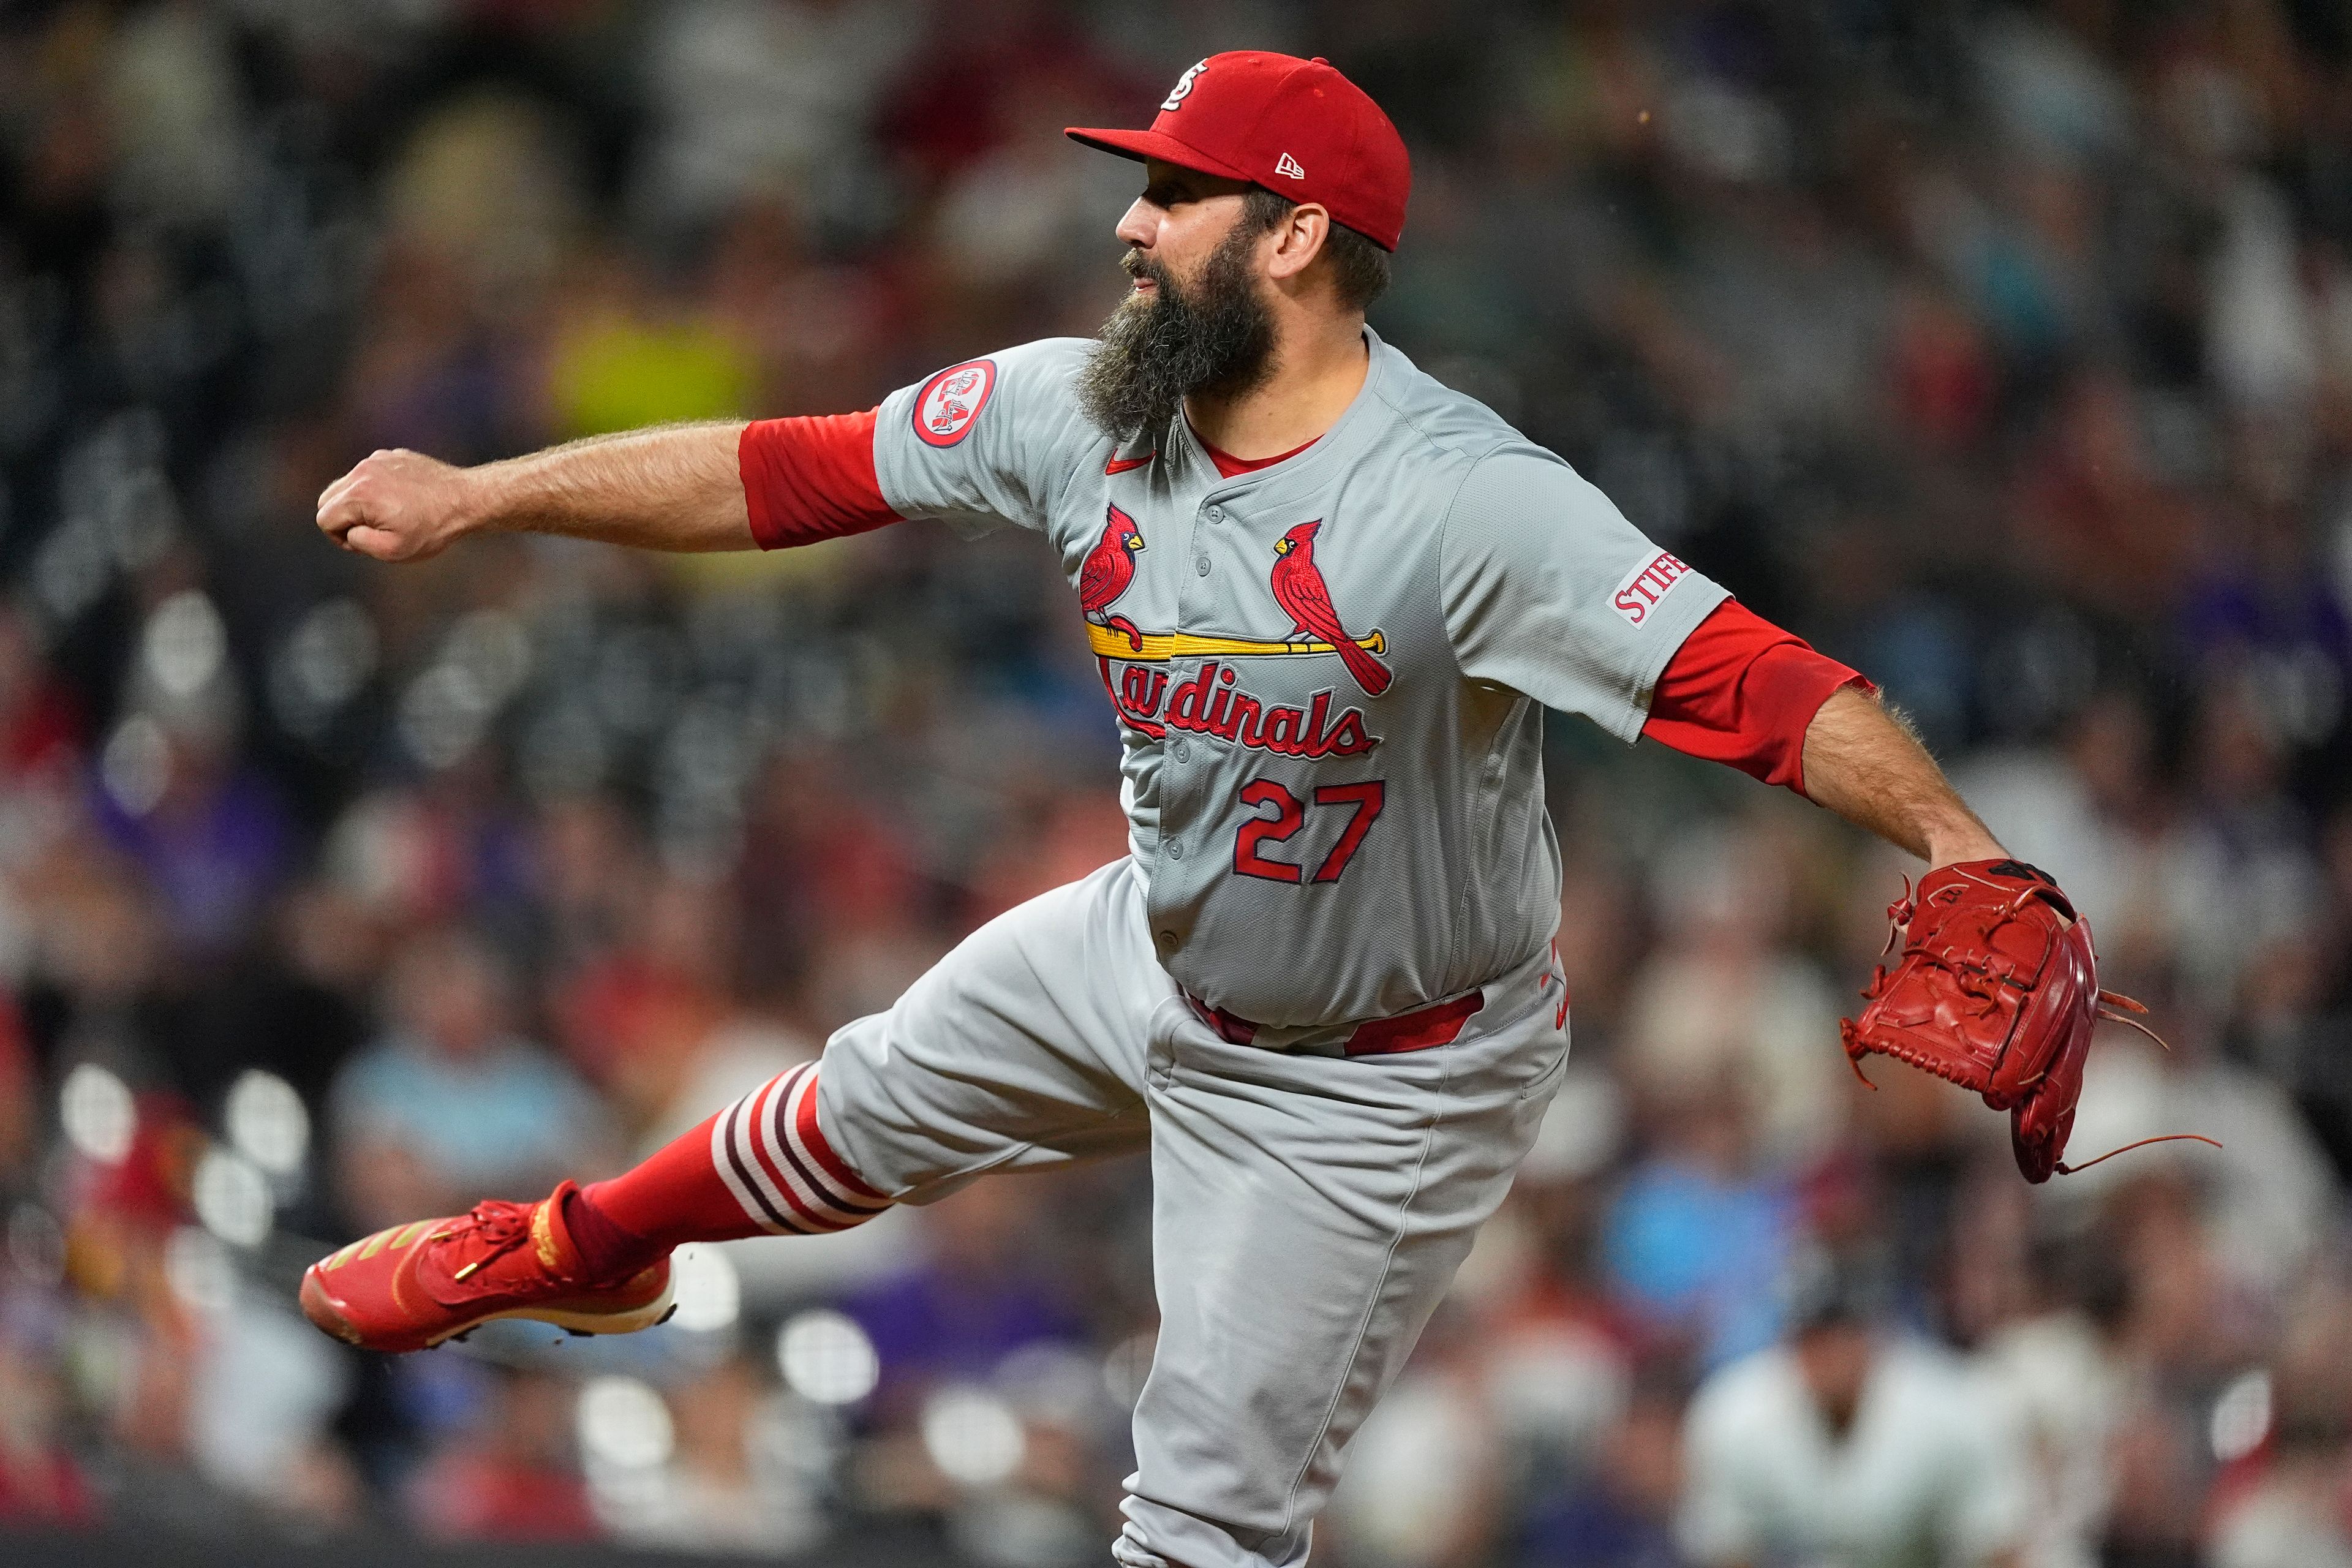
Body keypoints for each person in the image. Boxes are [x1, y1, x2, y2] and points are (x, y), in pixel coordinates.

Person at [300, 51, 2021, 1568]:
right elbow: (785, 468)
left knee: (1201, 1531)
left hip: (1378, 1075)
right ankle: (578, 1253)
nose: (1131, 226)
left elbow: (1759, 679)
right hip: (1162, 938)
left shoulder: (1464, 504)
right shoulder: (1085, 409)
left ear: (1291, 239)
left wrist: (1955, 839)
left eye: (1174, 194)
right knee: (860, 1101)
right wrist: (481, 497)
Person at [1678, 1256, 2031, 1568]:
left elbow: (1998, 1543)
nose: (1827, 1354)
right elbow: (1725, 1547)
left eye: (1841, 1334)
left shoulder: (1954, 1406)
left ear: (1872, 1335)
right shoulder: (1734, 1413)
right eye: (1811, 1337)